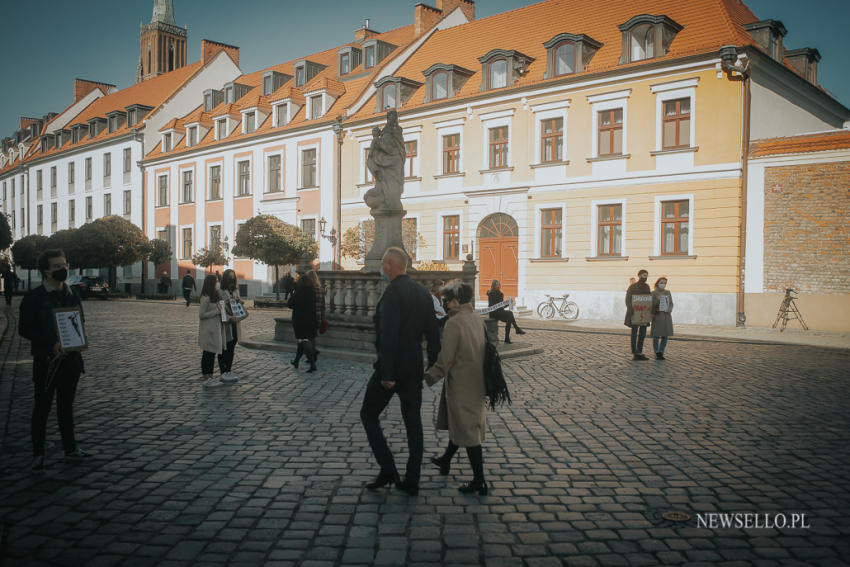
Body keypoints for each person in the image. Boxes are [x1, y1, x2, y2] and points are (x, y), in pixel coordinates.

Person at [360, 246, 440, 496]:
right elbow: (434, 334)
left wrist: (386, 373)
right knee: (413, 423)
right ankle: (412, 479)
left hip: (392, 369)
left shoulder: (393, 294)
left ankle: (387, 468)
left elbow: (389, 336)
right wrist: (433, 364)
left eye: (384, 264)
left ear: (390, 266)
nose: (382, 268)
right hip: (413, 368)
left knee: (368, 414)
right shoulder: (423, 293)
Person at [19, 249, 90, 471]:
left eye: (64, 264)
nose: (63, 269)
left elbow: (80, 321)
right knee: (42, 406)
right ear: (46, 272)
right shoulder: (34, 297)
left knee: (66, 406)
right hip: (46, 361)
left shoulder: (71, 294)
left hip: (70, 360)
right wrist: (51, 344)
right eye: (57, 266)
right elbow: (25, 329)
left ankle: (70, 447)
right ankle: (38, 453)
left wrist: (76, 342)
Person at [425, 280, 489, 495]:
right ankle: (445, 460)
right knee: (462, 423)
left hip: (462, 382)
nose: (445, 304)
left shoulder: (454, 323)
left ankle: (479, 481)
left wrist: (428, 377)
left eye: (447, 300)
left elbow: (446, 359)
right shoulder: (476, 319)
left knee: (468, 431)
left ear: (456, 300)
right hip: (476, 380)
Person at [364, 110, 405, 211]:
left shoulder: (397, 131)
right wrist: (377, 139)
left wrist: (376, 139)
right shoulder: (385, 131)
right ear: (388, 118)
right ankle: (388, 201)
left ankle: (391, 202)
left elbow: (390, 147)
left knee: (392, 186)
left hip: (394, 163)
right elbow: (373, 154)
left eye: (394, 117)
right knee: (382, 186)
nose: (392, 119)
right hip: (385, 164)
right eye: (390, 117)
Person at [198, 275, 229, 387]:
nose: (217, 283)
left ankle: (211, 376)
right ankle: (206, 377)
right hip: (208, 330)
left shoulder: (215, 295)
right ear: (211, 283)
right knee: (207, 353)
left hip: (216, 328)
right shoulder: (205, 297)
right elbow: (201, 315)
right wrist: (216, 311)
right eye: (215, 282)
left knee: (212, 353)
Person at [287, 273, 319, 372]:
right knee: (303, 341)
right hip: (312, 319)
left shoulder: (299, 292)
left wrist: (293, 293)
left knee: (304, 341)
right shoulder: (312, 291)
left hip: (300, 320)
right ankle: (296, 361)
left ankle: (312, 364)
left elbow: (290, 304)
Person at [218, 269, 246, 382]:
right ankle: (223, 371)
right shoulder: (220, 291)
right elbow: (220, 306)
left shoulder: (235, 290)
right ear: (225, 278)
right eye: (230, 278)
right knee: (224, 346)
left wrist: (240, 301)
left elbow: (238, 302)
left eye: (233, 278)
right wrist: (227, 303)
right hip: (226, 322)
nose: (232, 280)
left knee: (232, 346)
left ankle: (229, 369)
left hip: (235, 321)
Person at [625, 269, 652, 360]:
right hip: (634, 313)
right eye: (644, 275)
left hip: (644, 313)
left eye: (646, 276)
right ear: (639, 275)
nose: (645, 277)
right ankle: (634, 353)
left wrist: (649, 311)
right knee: (634, 333)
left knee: (642, 333)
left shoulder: (647, 286)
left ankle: (640, 352)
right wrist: (631, 312)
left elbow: (648, 299)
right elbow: (628, 300)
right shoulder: (633, 287)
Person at [651, 276, 674, 360]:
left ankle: (661, 351)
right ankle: (656, 352)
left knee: (665, 335)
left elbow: (671, 303)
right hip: (657, 316)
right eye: (662, 282)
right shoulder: (653, 293)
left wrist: (668, 309)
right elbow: (651, 305)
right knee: (656, 335)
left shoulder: (668, 292)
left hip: (666, 316)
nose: (663, 284)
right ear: (657, 283)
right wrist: (657, 300)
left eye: (665, 283)